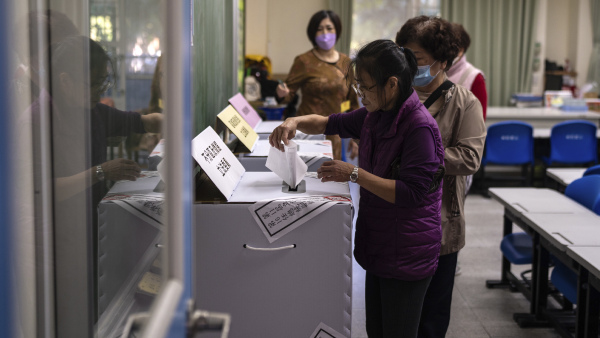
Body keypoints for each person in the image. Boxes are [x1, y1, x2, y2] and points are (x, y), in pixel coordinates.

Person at [270, 39, 445, 337]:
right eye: (357, 86)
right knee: (377, 330)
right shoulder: (374, 115)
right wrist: (295, 121)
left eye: (365, 87)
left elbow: (413, 194)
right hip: (380, 244)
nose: (360, 94)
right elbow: (328, 122)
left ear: (391, 85)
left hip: (407, 250)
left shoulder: (419, 128)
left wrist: (353, 174)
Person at [396, 16, 486, 338]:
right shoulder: (396, 97)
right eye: (404, 57)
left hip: (440, 222)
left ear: (442, 61)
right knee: (395, 315)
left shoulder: (464, 103)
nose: (409, 66)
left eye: (416, 60)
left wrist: (419, 158)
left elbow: (470, 158)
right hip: (396, 220)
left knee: (431, 317)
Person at [275, 10, 359, 161]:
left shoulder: (346, 62)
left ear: (337, 30)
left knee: (332, 178)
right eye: (319, 29)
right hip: (307, 131)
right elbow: (288, 95)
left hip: (335, 132)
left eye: (329, 28)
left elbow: (353, 102)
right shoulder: (304, 61)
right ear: (312, 33)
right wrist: (282, 93)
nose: (325, 33)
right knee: (306, 175)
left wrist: (357, 136)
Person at [447, 23, 487, 120]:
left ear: (461, 50)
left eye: (451, 48)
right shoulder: (434, 72)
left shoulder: (475, 77)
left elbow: (479, 120)